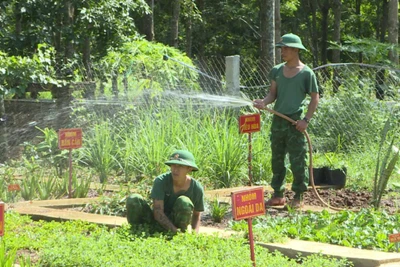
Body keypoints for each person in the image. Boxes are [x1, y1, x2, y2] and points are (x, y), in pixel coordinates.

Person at [253, 33, 319, 209]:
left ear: (297, 49)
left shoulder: (307, 73)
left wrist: (306, 120)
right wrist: (263, 102)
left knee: (298, 159)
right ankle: (278, 194)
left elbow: (314, 98)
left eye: (287, 48)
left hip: (295, 122)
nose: (283, 51)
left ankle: (298, 195)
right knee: (277, 159)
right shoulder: (277, 70)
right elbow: (272, 94)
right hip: (278, 121)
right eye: (282, 48)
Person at [126, 150, 205, 233]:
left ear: (189, 169)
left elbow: (196, 215)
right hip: (155, 222)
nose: (175, 169)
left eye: (180, 166)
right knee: (134, 198)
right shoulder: (161, 181)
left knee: (184, 201)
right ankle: (136, 231)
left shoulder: (196, 188)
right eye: (173, 165)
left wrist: (194, 234)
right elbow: (158, 211)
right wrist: (174, 231)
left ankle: (179, 233)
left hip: (177, 225)